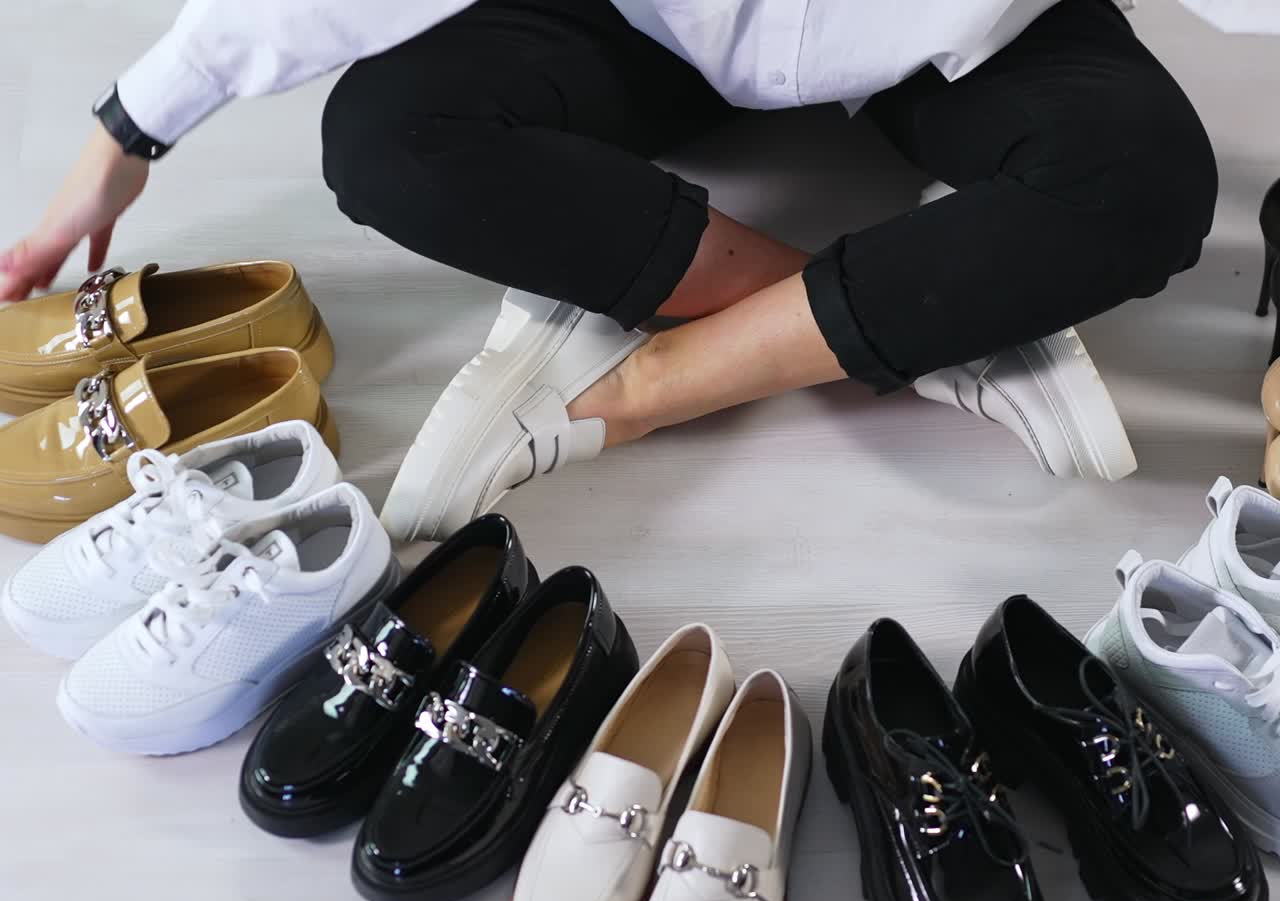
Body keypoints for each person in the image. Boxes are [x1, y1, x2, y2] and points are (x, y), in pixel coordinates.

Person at [0, 0, 1217, 542]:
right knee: (388, 137)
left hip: (959, 36)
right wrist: (130, 130)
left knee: (1142, 177)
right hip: (649, 23)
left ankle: (623, 389)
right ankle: (953, 331)